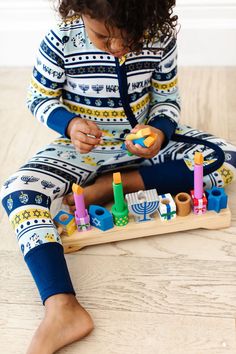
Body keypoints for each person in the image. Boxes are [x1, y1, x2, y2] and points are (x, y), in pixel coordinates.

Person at [1, 0, 236, 353]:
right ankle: (61, 305)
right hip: (80, 152)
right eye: (103, 37)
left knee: (227, 159)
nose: (118, 49)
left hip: (142, 152)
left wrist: (159, 131)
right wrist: (70, 124)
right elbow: (40, 99)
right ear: (79, 12)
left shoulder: (159, 36)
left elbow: (166, 100)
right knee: (17, 191)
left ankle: (123, 185)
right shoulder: (61, 39)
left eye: (130, 38)